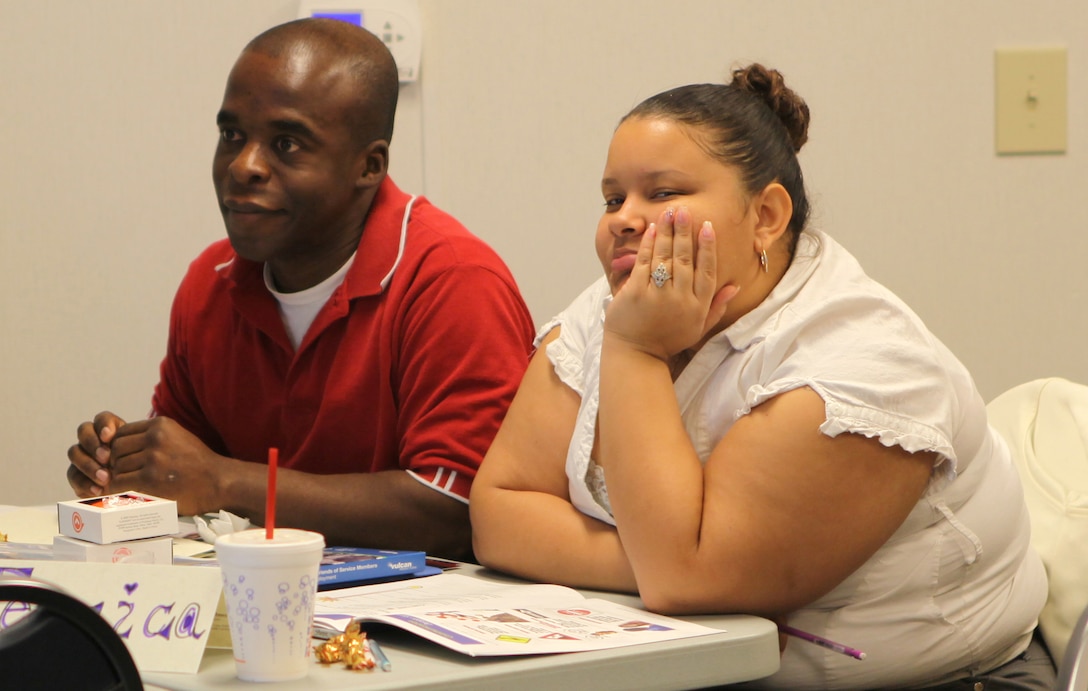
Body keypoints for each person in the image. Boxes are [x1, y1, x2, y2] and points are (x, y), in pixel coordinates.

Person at [469, 64, 1051, 688]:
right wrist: (662, 559)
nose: (624, 219)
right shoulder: (616, 308)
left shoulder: (867, 366)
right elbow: (499, 515)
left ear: (767, 216)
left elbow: (686, 582)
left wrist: (637, 353)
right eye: (614, 198)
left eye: (662, 194)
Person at [66, 18, 535, 560]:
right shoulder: (210, 282)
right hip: (260, 606)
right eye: (232, 136)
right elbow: (190, 474)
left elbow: (458, 510)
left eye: (286, 144)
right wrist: (128, 471)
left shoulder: (452, 280)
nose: (243, 166)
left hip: (416, 626)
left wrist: (226, 482)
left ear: (369, 166)